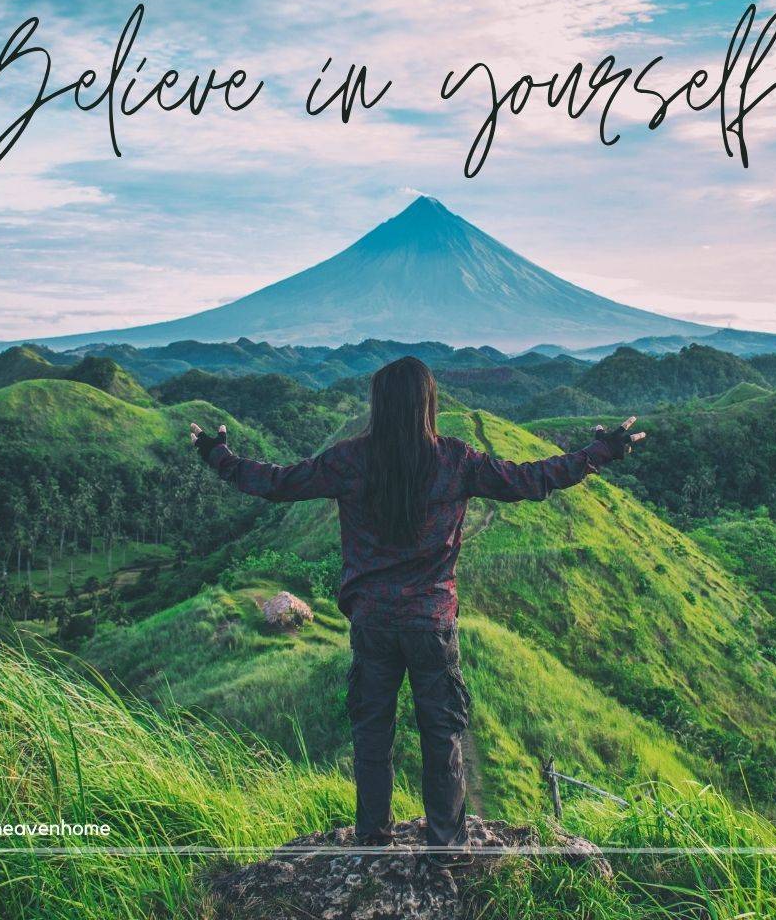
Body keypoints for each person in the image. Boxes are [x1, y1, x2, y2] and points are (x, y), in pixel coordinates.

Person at [189, 356, 644, 862]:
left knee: (372, 736)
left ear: (378, 406)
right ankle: (446, 849)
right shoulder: (456, 460)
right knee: (441, 736)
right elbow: (531, 479)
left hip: (373, 622)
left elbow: (277, 482)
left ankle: (372, 842)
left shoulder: (350, 459)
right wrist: (600, 452)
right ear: (429, 404)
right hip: (431, 622)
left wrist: (218, 456)